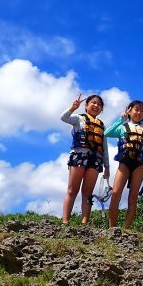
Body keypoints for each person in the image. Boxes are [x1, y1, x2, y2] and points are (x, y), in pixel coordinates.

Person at [104, 100, 143, 229]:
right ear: (129, 110)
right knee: (116, 193)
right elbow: (107, 133)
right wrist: (120, 119)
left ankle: (126, 229)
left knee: (133, 197)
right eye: (136, 109)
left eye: (142, 111)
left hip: (140, 165)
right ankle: (112, 228)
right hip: (124, 162)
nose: (139, 113)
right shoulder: (122, 127)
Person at [60, 93, 110, 224]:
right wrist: (72, 108)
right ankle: (65, 221)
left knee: (87, 193)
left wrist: (107, 167)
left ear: (102, 109)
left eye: (99, 104)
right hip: (79, 156)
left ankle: (84, 222)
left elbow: (104, 147)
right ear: (86, 106)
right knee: (72, 190)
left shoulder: (101, 125)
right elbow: (63, 118)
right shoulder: (78, 118)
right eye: (93, 103)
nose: (96, 105)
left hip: (96, 159)